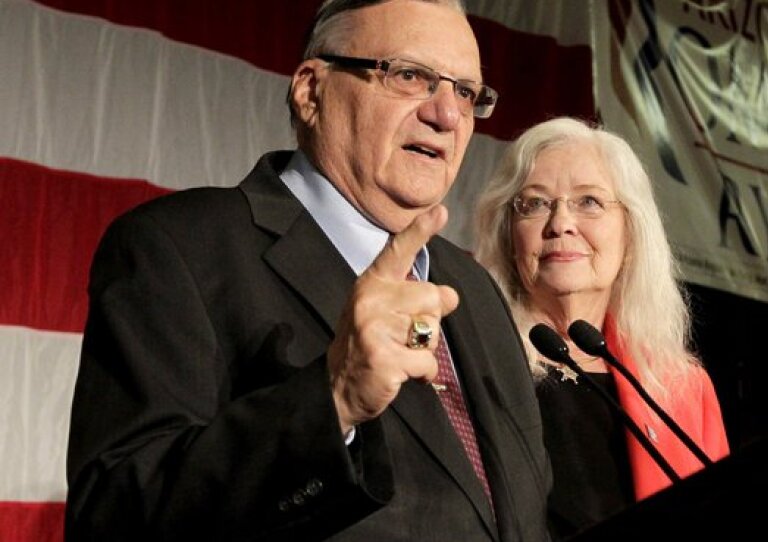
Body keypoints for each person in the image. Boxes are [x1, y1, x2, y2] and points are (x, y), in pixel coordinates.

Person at [65, 1, 552, 540]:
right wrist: (333, 400)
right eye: (411, 76)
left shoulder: (473, 288)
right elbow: (113, 517)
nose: (447, 114)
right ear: (310, 90)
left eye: (465, 91)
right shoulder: (179, 247)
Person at [473, 117, 729, 539]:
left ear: (631, 234)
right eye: (535, 203)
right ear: (507, 236)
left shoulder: (683, 389)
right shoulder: (470, 359)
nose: (561, 224)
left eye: (589, 202)